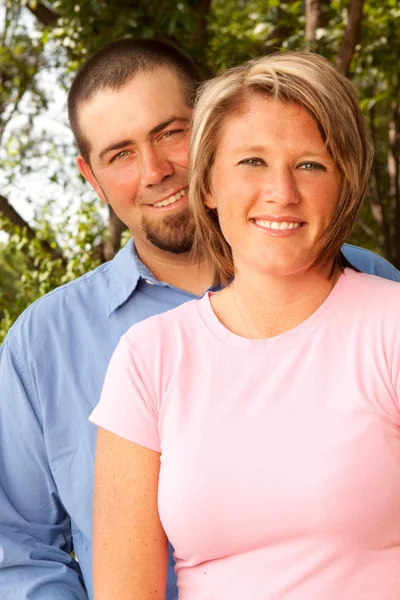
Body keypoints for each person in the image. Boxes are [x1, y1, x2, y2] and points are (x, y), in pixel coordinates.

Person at [0, 39, 398, 600]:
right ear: (91, 177)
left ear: (210, 134)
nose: (157, 170)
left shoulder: (372, 290)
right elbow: (16, 551)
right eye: (121, 154)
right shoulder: (53, 346)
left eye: (170, 134)